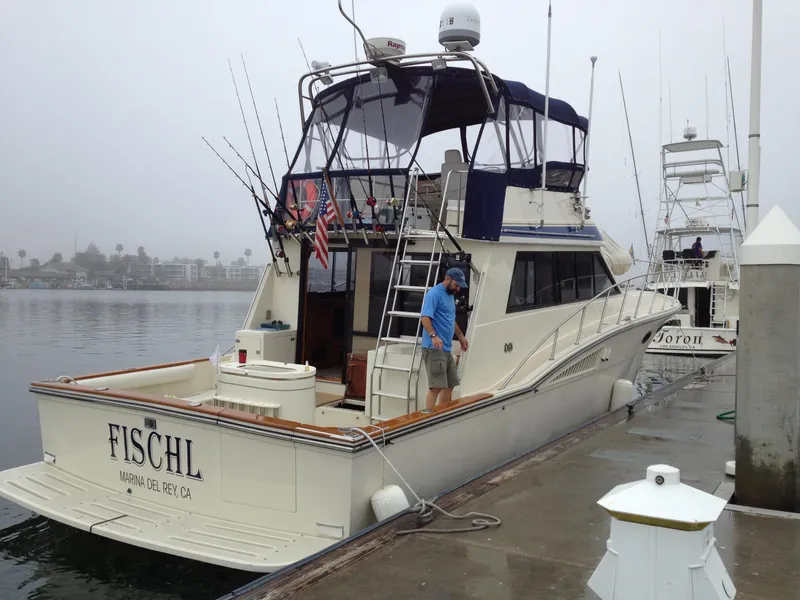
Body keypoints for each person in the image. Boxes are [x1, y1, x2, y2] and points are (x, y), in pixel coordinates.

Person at [420, 267, 469, 410]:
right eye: (457, 284)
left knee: (450, 383)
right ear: (448, 279)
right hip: (434, 348)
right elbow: (425, 318)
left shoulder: (450, 295)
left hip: (446, 348)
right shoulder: (434, 294)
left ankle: (442, 412)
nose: (458, 289)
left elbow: (450, 319)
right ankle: (427, 417)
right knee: (436, 386)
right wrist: (434, 336)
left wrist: (460, 336)